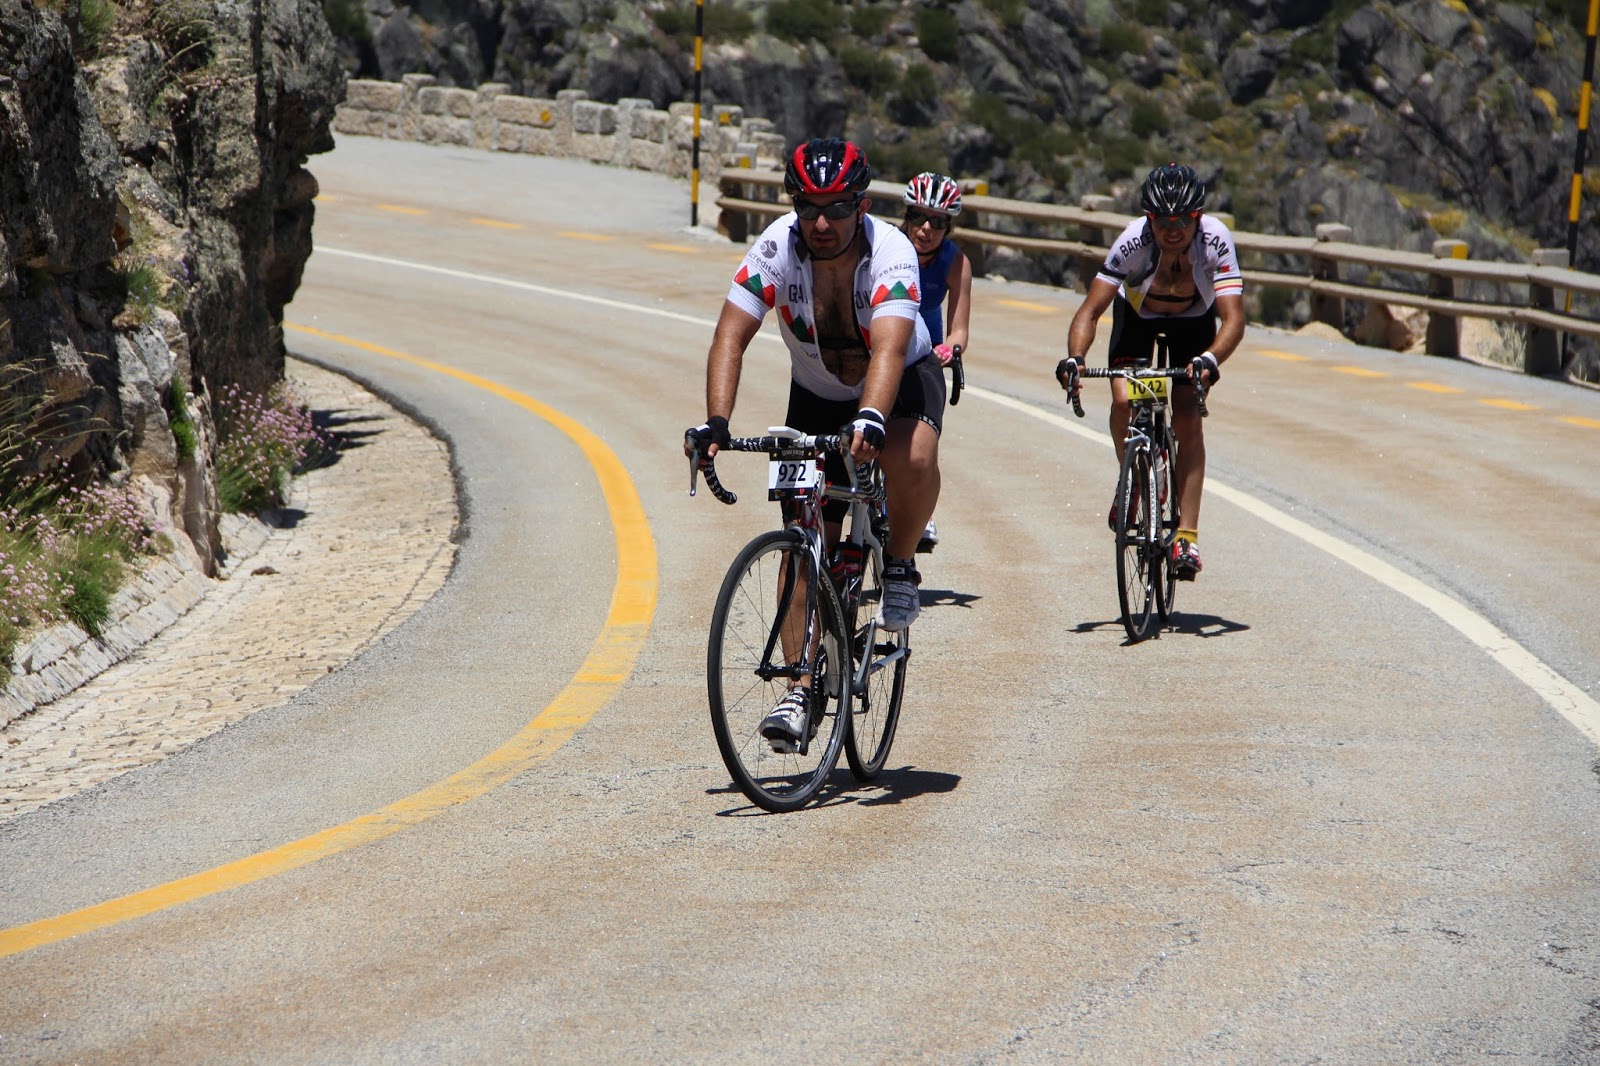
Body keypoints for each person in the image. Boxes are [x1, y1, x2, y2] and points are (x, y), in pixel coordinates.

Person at [685, 137, 945, 752]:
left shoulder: (891, 251)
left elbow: (888, 349)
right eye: (808, 208)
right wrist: (717, 422)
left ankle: (899, 563)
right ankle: (800, 687)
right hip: (816, 393)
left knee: (910, 455)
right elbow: (730, 336)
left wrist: (872, 418)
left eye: (837, 208)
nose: (822, 223)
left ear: (862, 205)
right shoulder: (777, 246)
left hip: (899, 380)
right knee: (804, 541)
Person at [1055, 162, 1244, 580]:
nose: (1172, 230)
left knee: (1188, 417)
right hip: (1138, 318)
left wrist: (1210, 360)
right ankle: (1136, 476)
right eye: (1162, 222)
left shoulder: (1215, 240)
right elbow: (1090, 311)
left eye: (1182, 221)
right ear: (1148, 219)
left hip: (1193, 323)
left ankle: (1187, 536)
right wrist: (1076, 358)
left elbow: (1233, 320)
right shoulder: (1132, 242)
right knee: (1124, 402)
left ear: (1197, 217)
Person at [900, 171, 972, 554]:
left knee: (922, 439)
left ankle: (920, 508)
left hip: (926, 347)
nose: (926, 228)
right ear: (906, 216)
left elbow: (959, 330)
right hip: (883, 338)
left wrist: (949, 350)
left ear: (948, 227)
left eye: (938, 222)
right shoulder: (887, 245)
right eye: (918, 217)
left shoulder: (955, 261)